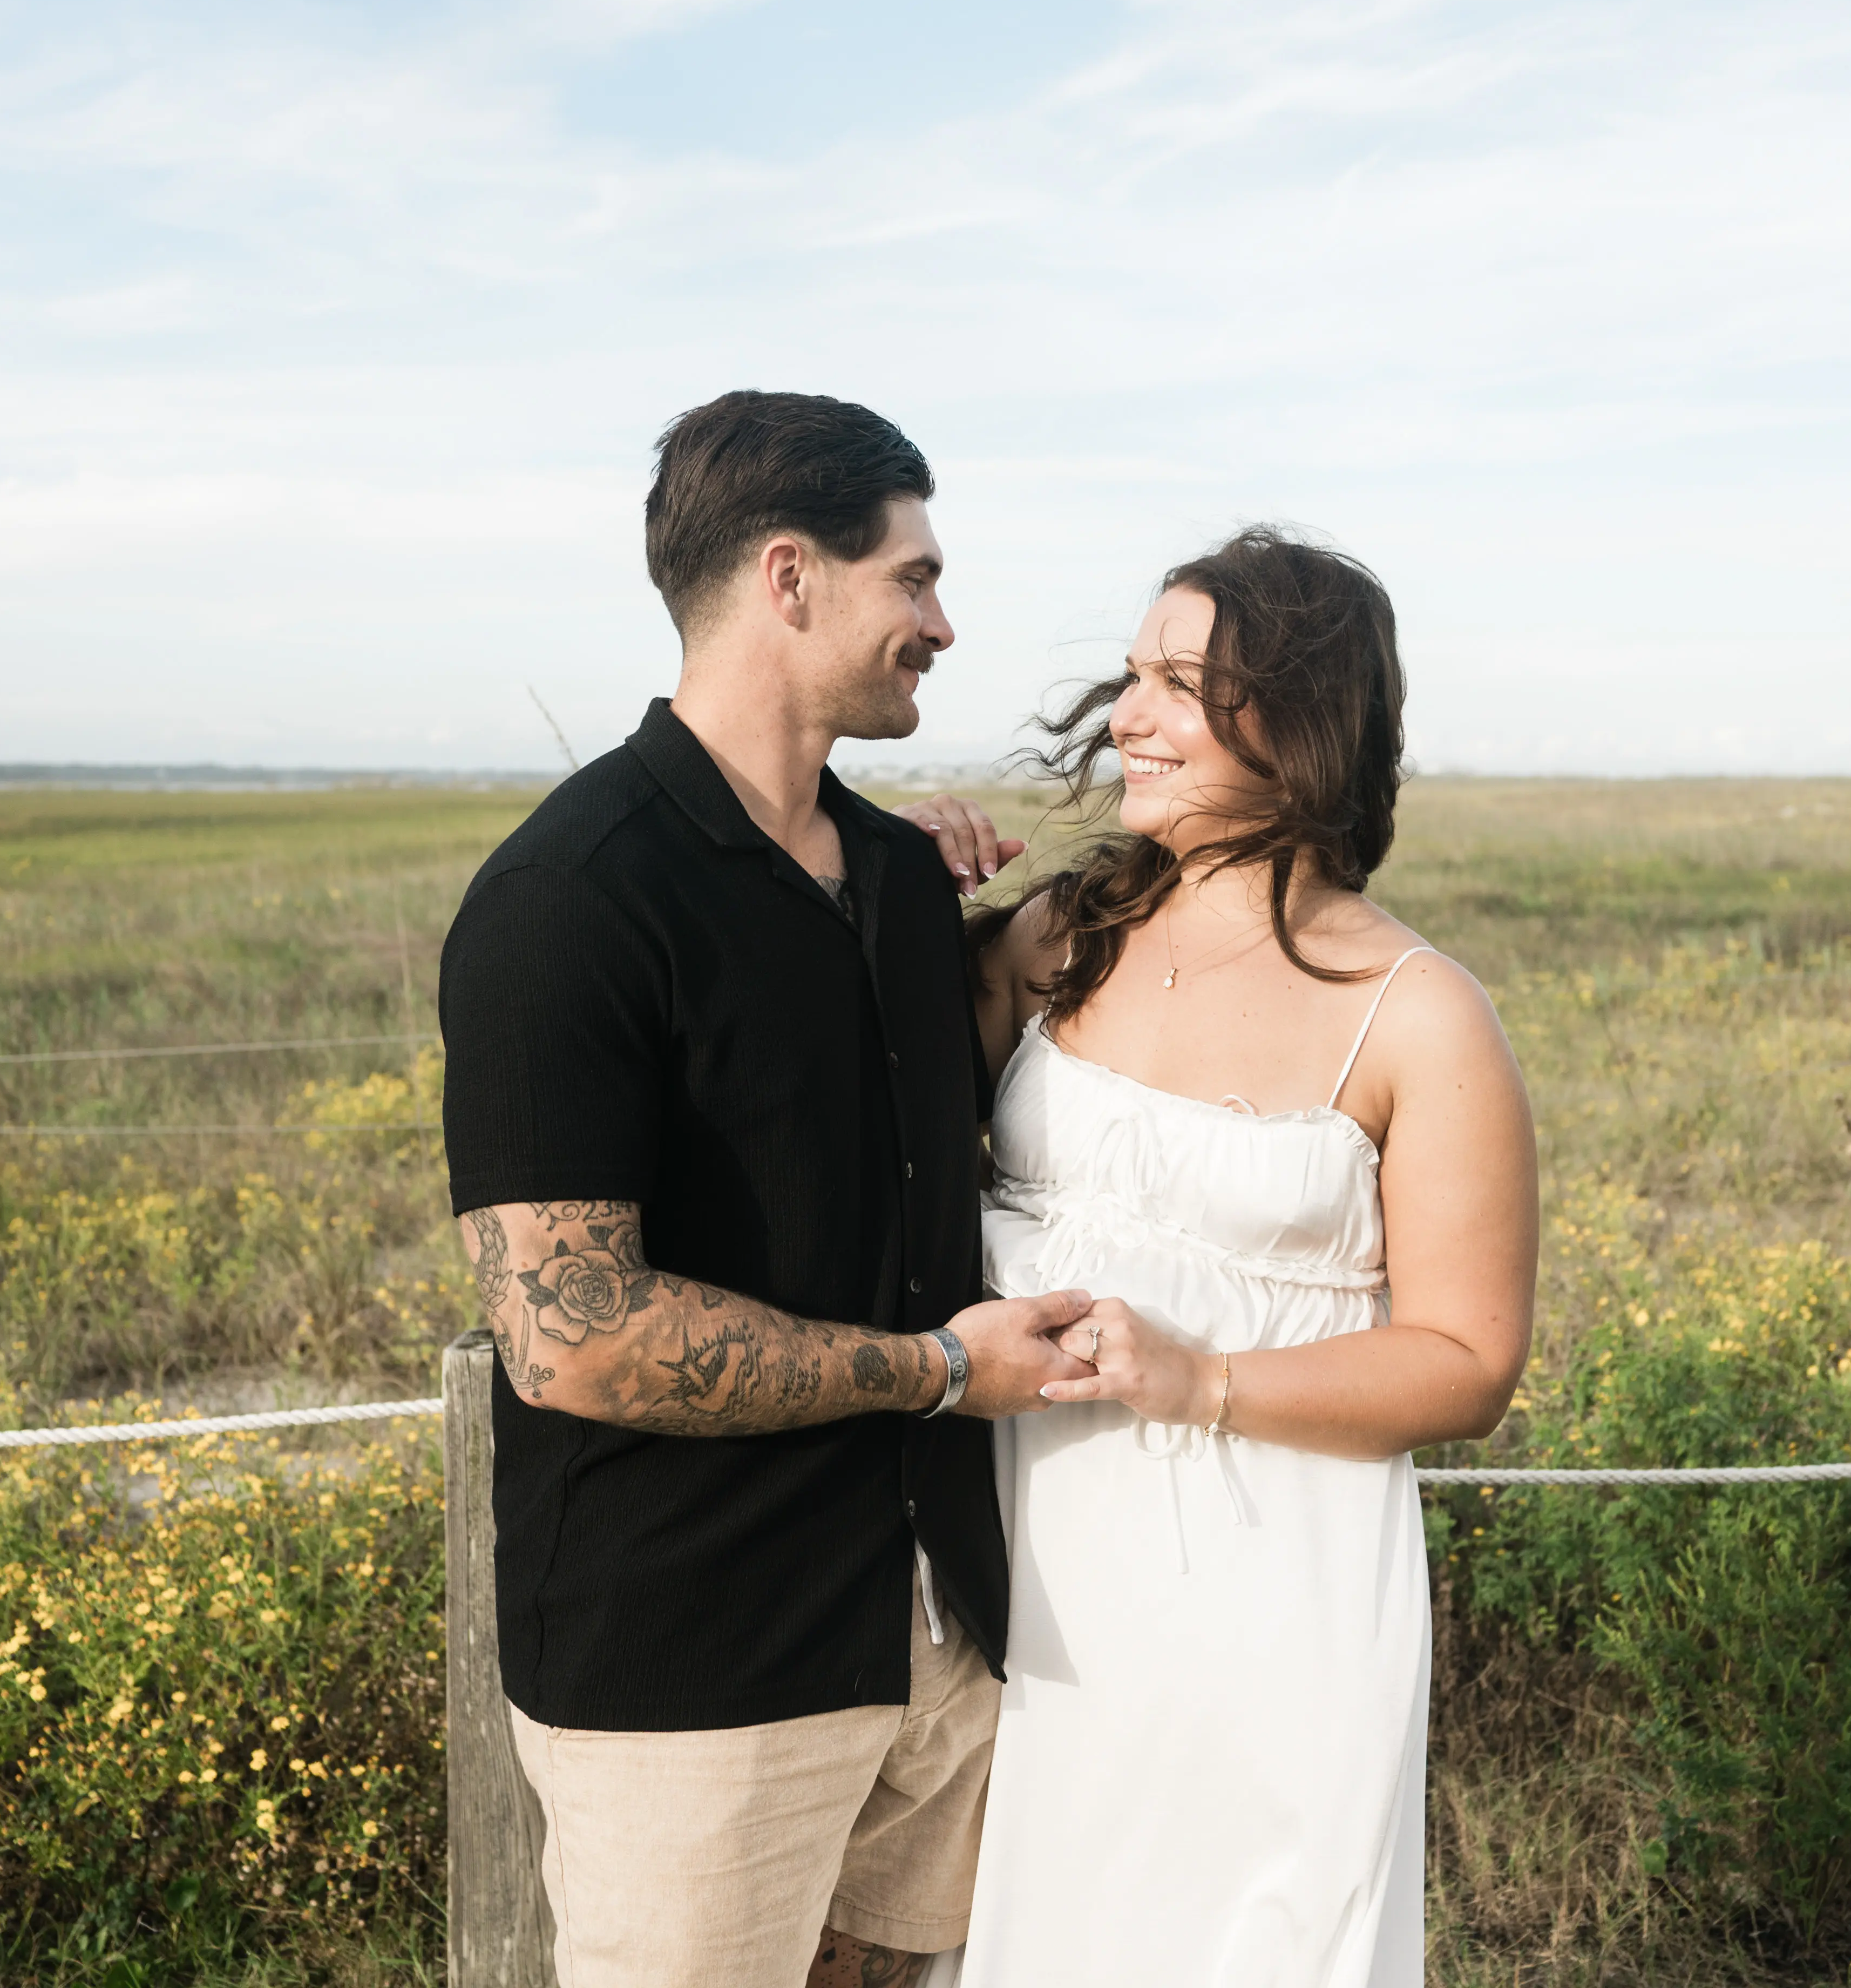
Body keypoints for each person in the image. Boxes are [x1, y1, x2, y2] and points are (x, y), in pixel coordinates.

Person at [439, 390, 1078, 1988]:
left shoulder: (902, 884)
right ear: (790, 578)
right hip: (700, 1677)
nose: (944, 624)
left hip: (941, 1638)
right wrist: (941, 1374)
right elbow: (574, 1337)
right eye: (914, 579)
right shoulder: (567, 901)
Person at [958, 528, 1542, 1987]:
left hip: (1270, 1601)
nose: (1127, 717)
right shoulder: (1060, 940)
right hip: (1025, 1577)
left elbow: (1470, 1363)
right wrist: (888, 871)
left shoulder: (1417, 1012)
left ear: (1303, 721)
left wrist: (1202, 1376)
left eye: (1179, 684)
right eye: (1132, 677)